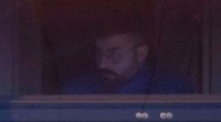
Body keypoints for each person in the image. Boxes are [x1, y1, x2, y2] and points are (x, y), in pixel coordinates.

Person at [60, 26, 195, 95]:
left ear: (141, 53)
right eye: (98, 53)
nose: (102, 63)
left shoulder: (171, 91)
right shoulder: (78, 90)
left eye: (113, 55)